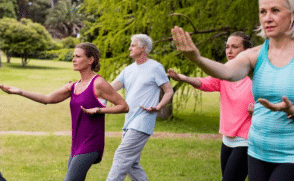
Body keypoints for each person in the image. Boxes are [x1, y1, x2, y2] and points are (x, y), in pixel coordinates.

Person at [171, 0, 294, 180]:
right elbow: (227, 72)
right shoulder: (254, 55)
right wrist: (197, 59)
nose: (267, 18)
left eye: (275, 10)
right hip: (257, 152)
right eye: (263, 12)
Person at [0, 42, 129, 181]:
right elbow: (47, 99)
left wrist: (99, 109)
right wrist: (19, 92)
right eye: (73, 56)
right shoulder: (73, 86)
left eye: (78, 56)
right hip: (76, 145)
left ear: (91, 60)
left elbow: (123, 106)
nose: (73, 59)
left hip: (91, 144)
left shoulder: (98, 83)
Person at [168, 31, 254, 181]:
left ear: (246, 51)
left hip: (247, 140)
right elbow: (205, 83)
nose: (229, 51)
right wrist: (184, 78)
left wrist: (259, 108)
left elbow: (275, 99)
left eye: (235, 47)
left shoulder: (255, 77)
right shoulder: (225, 74)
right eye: (227, 47)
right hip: (227, 139)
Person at [106, 34, 174, 181]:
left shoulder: (155, 67)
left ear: (143, 48)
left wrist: (159, 106)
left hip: (143, 120)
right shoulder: (128, 70)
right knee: (131, 164)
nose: (130, 48)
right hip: (129, 121)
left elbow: (169, 91)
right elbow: (109, 89)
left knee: (121, 156)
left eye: (133, 45)